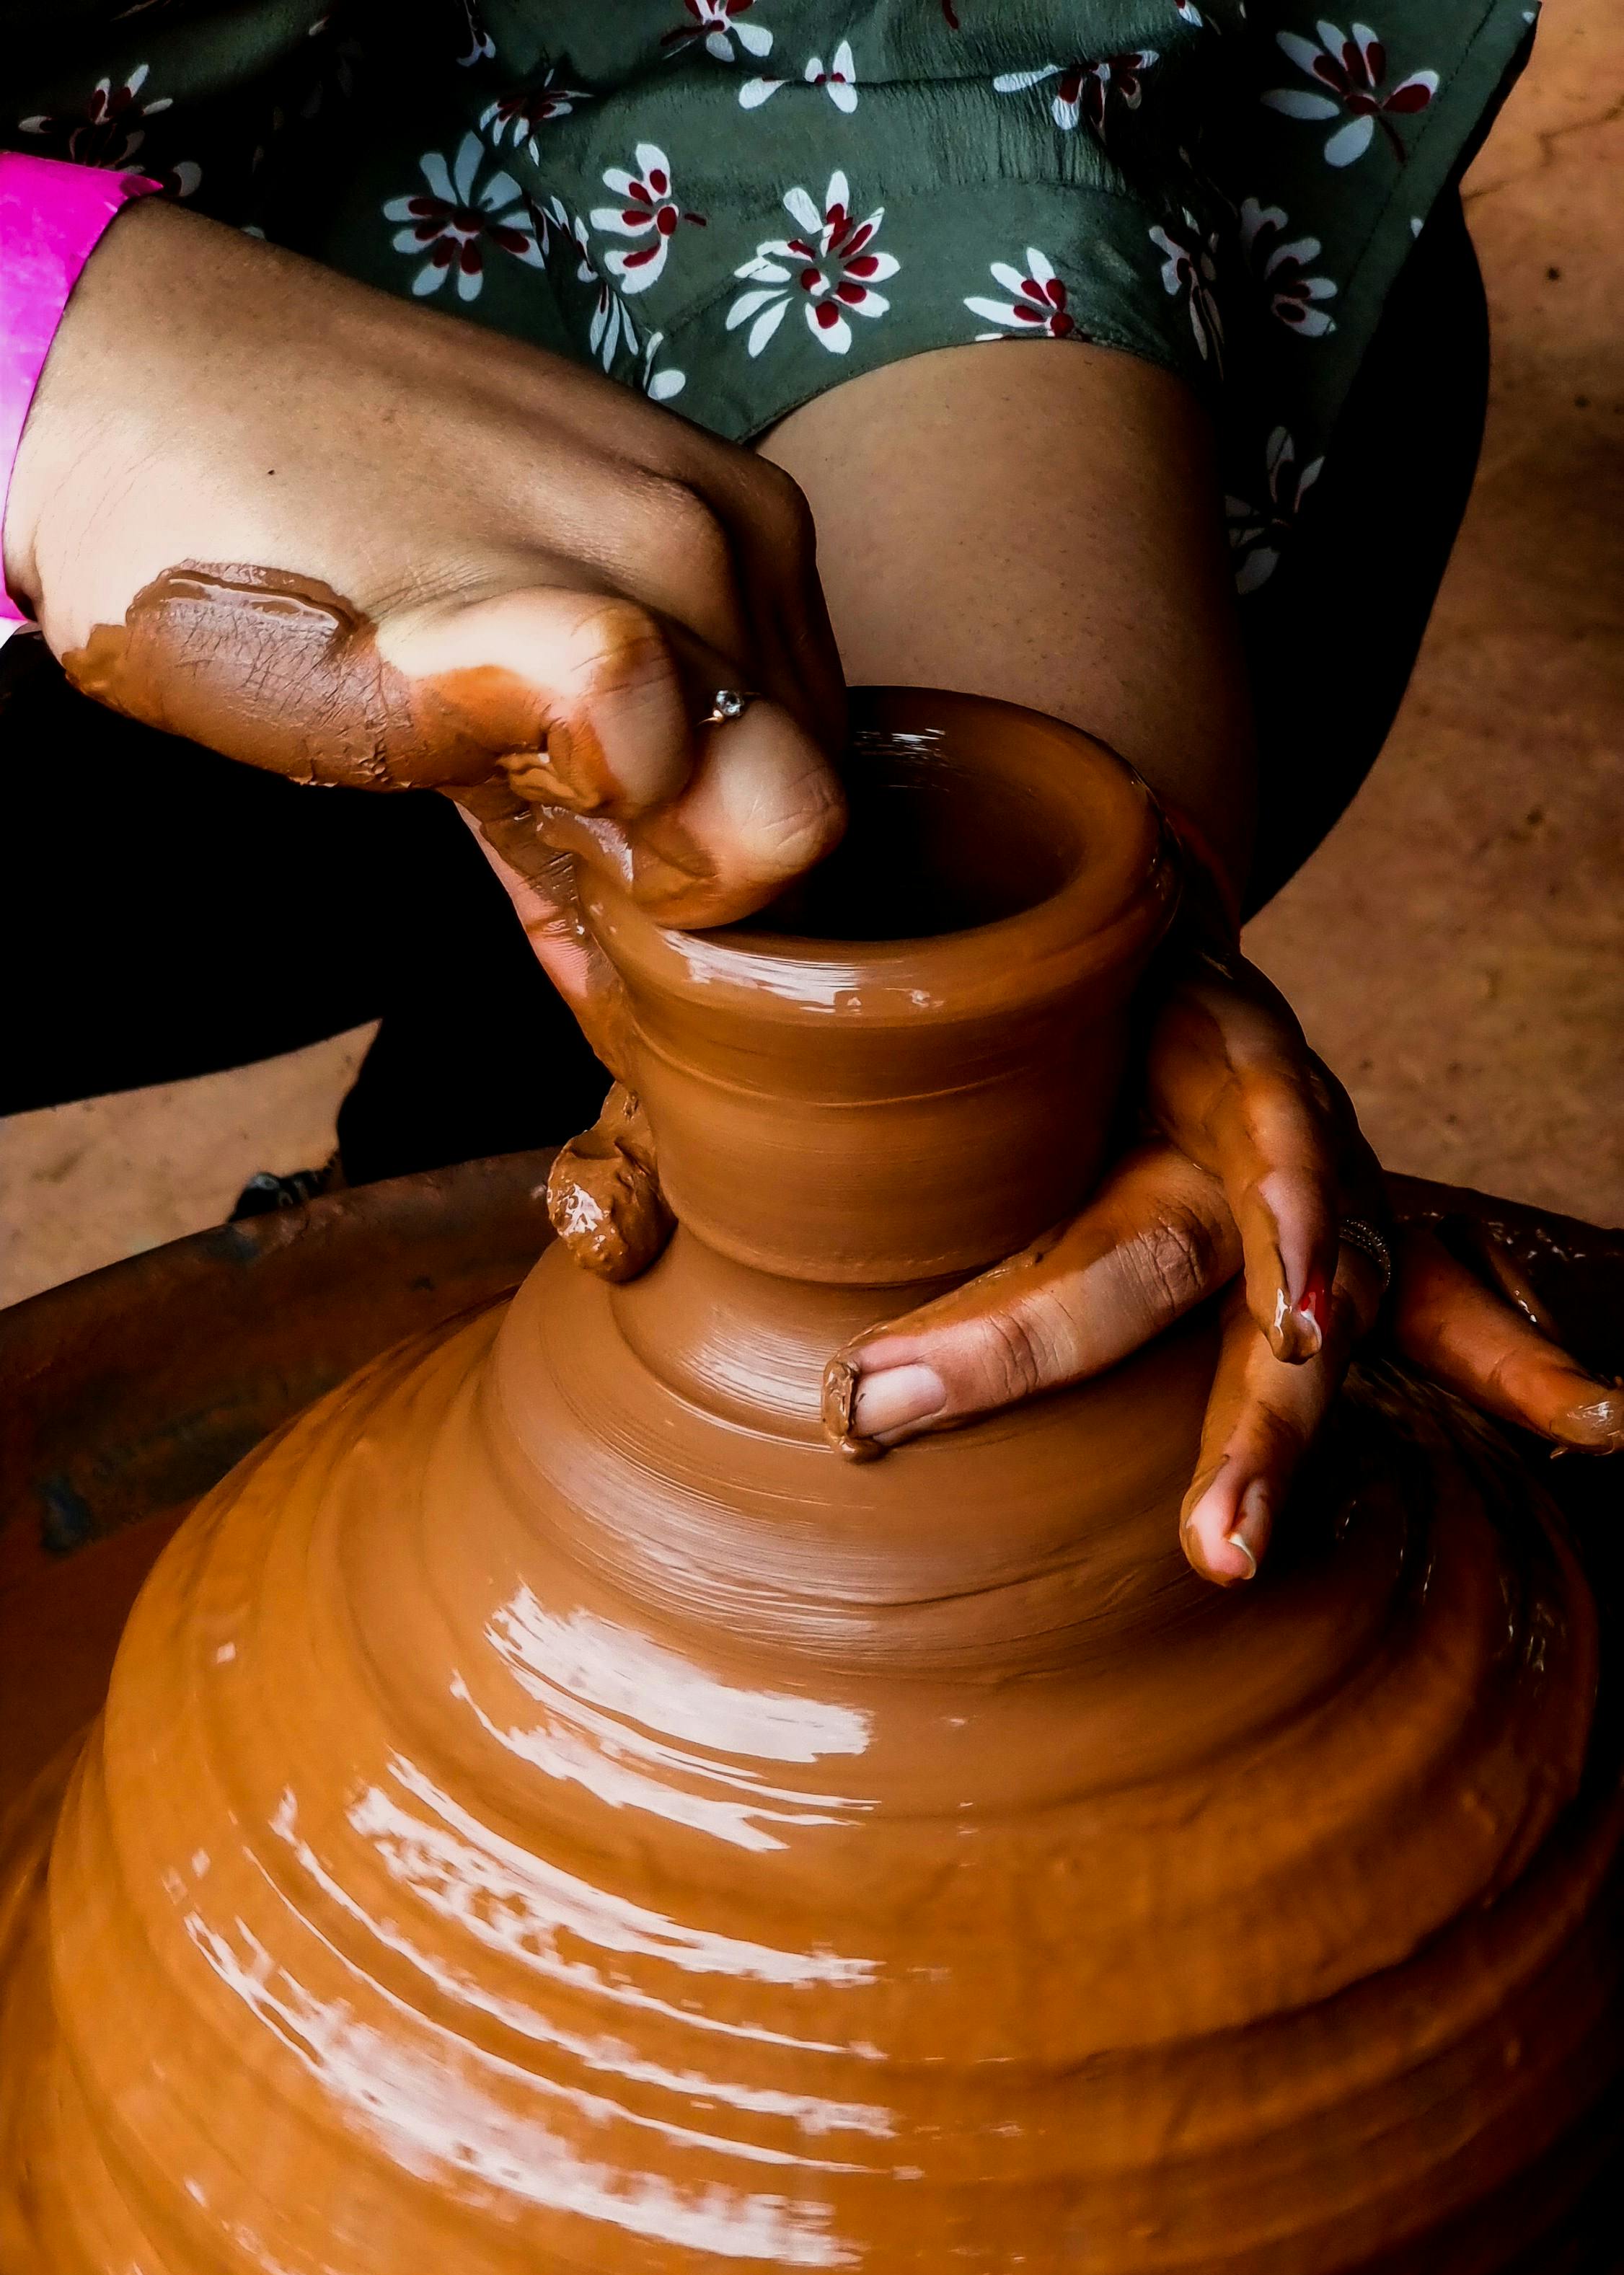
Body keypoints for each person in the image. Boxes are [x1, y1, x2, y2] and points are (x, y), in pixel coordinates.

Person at [3, 0, 1618, 1591]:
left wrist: (1031, 962)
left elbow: (896, 52)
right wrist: (50, 341)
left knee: (1291, 361)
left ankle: (499, 1245)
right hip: (91, 610)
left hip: (415, 193)